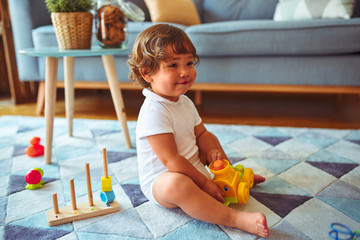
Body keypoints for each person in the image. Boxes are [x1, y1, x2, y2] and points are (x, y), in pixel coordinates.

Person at [128, 24, 269, 238]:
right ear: (147, 73)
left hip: (192, 167)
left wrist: (213, 152)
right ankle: (234, 218)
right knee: (177, 184)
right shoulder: (153, 112)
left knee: (210, 137)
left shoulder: (184, 101)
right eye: (173, 65)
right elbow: (172, 161)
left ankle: (232, 178)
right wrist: (203, 183)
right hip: (162, 180)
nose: (184, 72)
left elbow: (201, 135)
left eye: (189, 63)